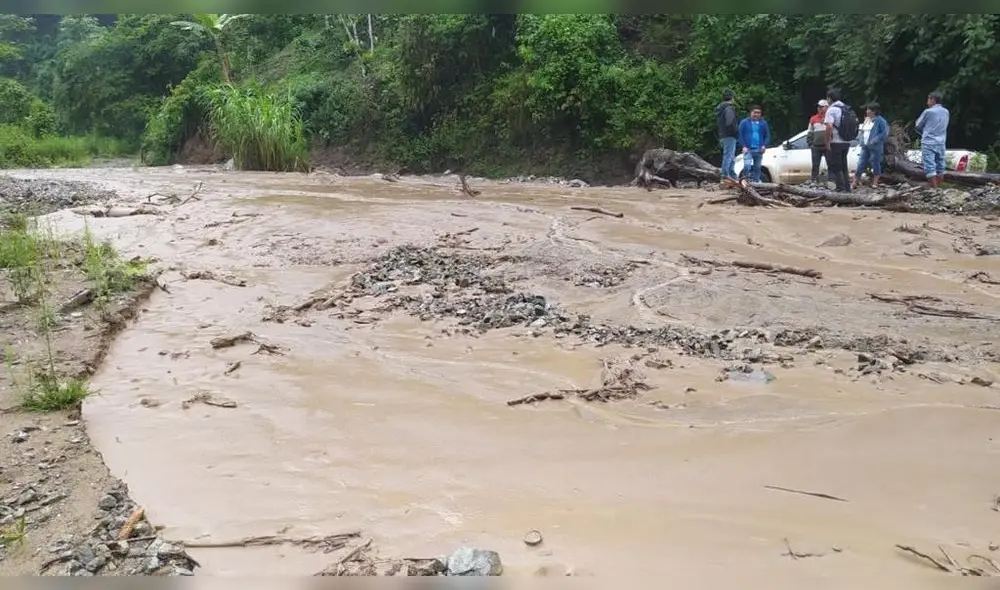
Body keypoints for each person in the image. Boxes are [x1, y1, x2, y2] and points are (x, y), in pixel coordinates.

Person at [915, 90, 950, 188]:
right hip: (941, 141)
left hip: (929, 141)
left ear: (932, 100)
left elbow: (918, 125)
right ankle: (940, 187)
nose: (927, 101)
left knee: (929, 165)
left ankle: (934, 189)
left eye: (928, 99)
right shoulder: (946, 112)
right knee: (940, 166)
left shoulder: (928, 112)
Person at [823, 87, 855, 193]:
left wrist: (827, 142)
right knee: (844, 166)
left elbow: (829, 126)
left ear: (829, 98)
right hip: (846, 141)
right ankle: (847, 188)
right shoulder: (846, 108)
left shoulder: (831, 109)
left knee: (837, 166)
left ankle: (840, 188)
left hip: (836, 141)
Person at [853, 102, 888, 189]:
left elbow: (884, 133)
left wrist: (875, 140)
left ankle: (875, 182)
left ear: (874, 111)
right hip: (865, 146)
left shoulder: (881, 121)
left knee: (875, 163)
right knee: (861, 163)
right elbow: (863, 131)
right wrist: (860, 140)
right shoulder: (867, 119)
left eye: (868, 109)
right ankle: (855, 181)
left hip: (875, 147)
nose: (867, 111)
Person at [738, 105, 770, 182]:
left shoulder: (763, 123)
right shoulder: (744, 122)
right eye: (755, 112)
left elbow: (767, 135)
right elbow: (740, 135)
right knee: (747, 166)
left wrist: (764, 145)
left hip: (759, 149)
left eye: (759, 113)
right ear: (751, 113)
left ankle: (756, 182)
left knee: (757, 167)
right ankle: (745, 180)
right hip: (748, 149)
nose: (756, 114)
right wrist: (743, 146)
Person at [715, 89, 739, 186]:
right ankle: (725, 175)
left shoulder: (721, 108)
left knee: (731, 156)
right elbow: (730, 123)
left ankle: (732, 175)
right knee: (728, 155)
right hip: (729, 135)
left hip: (723, 135)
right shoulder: (729, 108)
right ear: (732, 98)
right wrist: (736, 131)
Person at [807, 99, 829, 184]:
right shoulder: (813, 118)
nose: (819, 108)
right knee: (815, 165)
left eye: (821, 107)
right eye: (818, 107)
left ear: (826, 107)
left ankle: (832, 180)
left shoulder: (830, 117)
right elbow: (810, 132)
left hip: (828, 145)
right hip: (816, 146)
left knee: (831, 164)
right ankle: (814, 181)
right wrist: (810, 143)